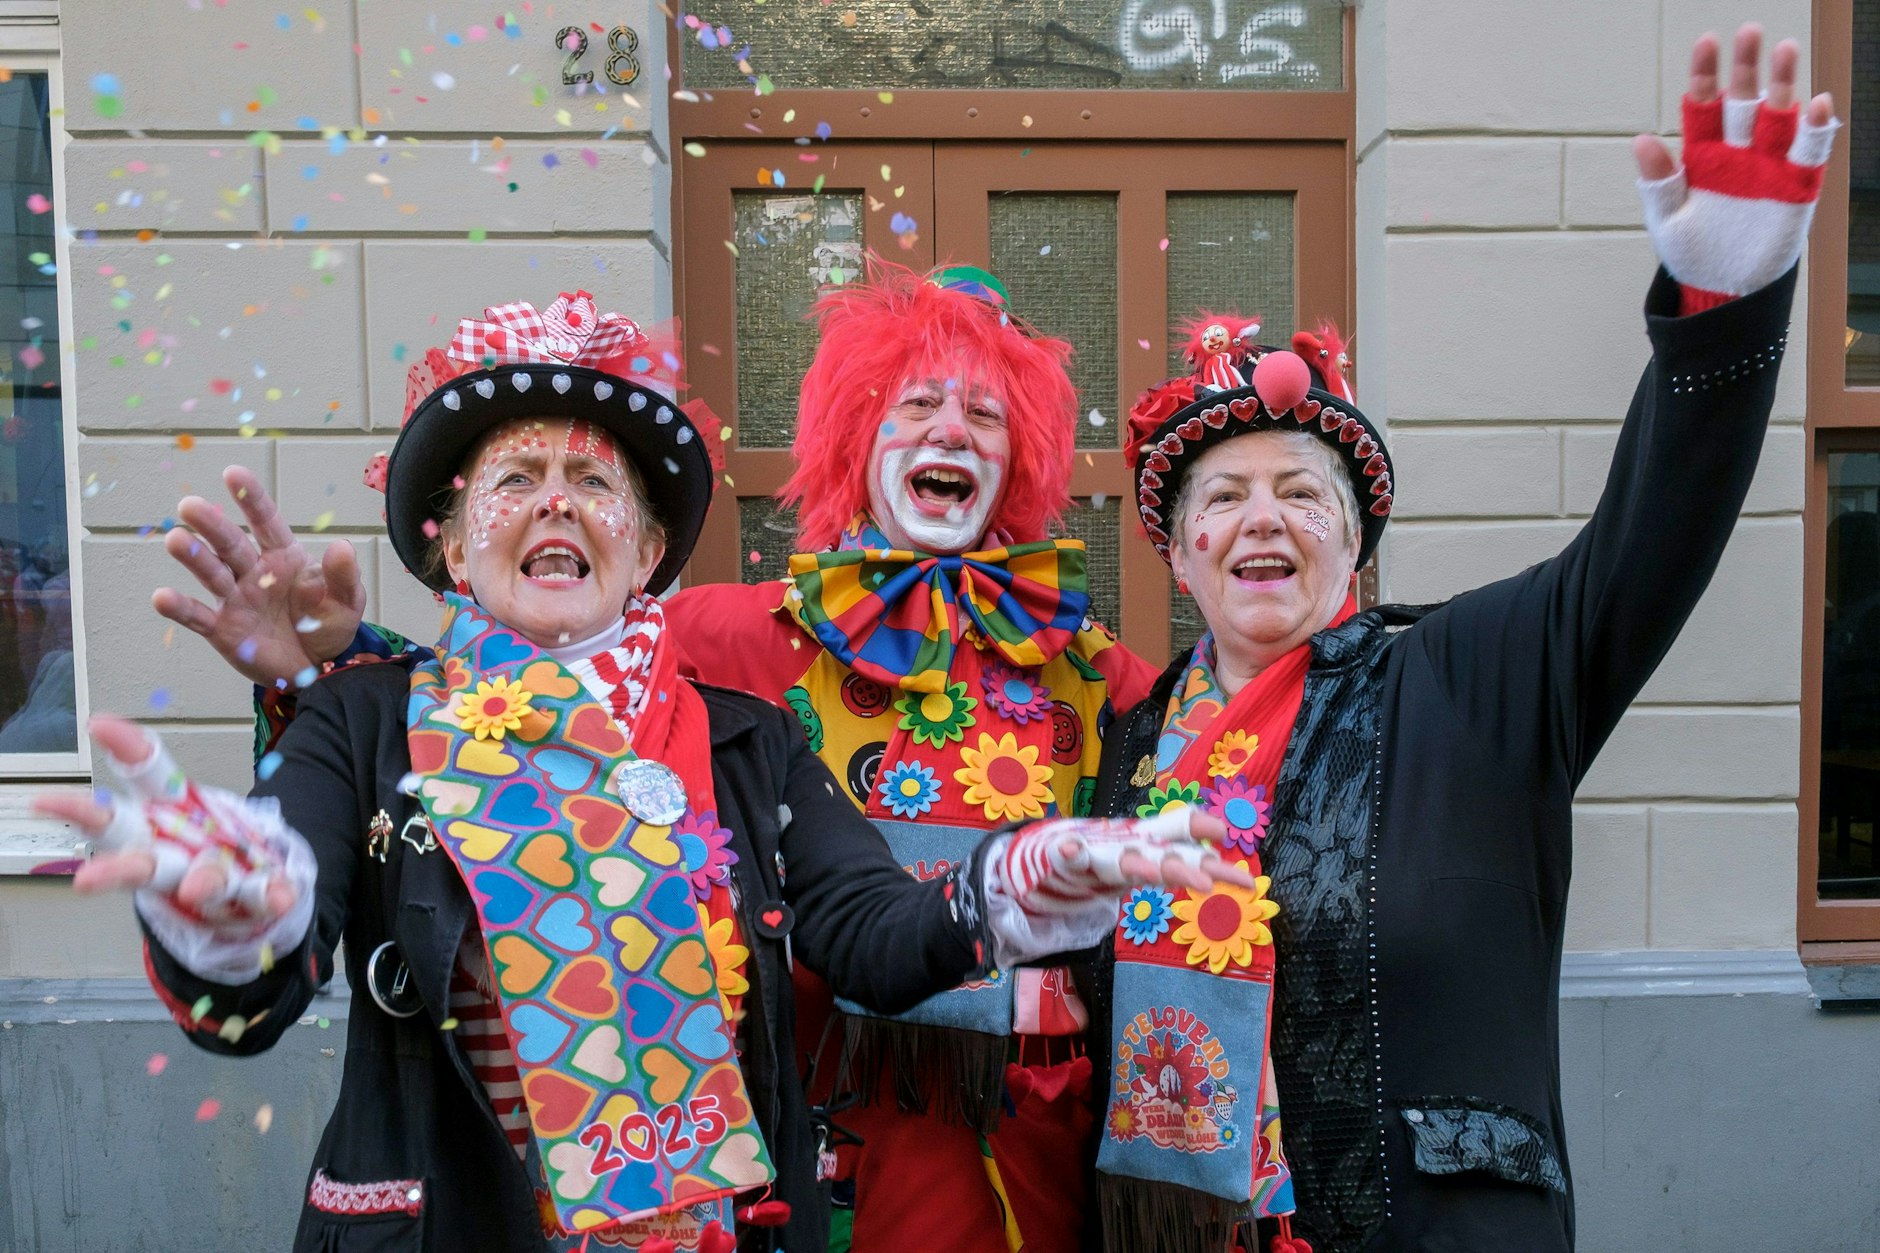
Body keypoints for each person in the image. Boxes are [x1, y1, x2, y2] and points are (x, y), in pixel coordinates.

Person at [40, 292, 1250, 1253]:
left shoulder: (743, 739)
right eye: (515, 479)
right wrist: (234, 922)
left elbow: (873, 927)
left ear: (652, 547)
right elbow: (263, 974)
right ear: (449, 545)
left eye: (594, 483)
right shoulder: (366, 718)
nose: (557, 503)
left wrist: (1008, 886)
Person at [1088, 26, 1836, 1253]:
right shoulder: (1125, 748)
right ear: (1178, 555)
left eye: (1301, 492)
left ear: (1353, 544)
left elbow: (1646, 541)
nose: (1261, 518)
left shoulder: (1471, 680)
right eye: (1221, 497)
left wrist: (1719, 307)